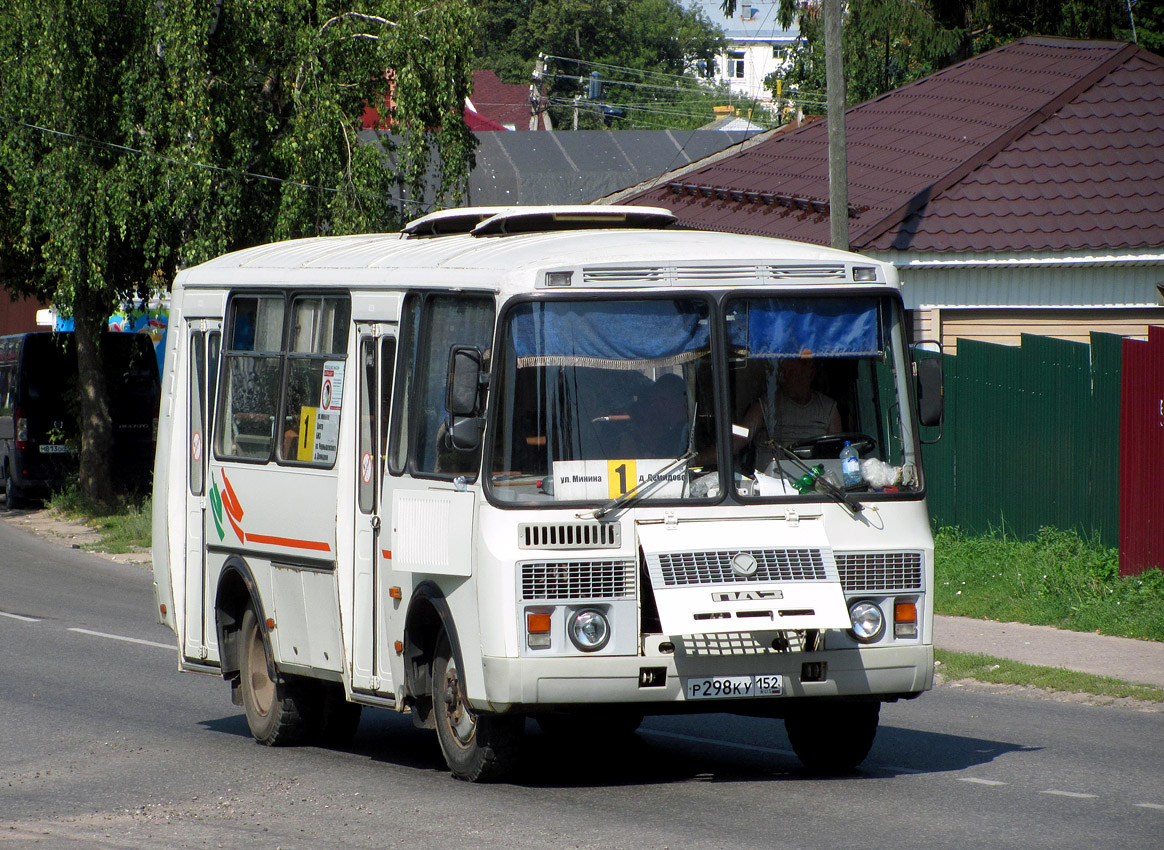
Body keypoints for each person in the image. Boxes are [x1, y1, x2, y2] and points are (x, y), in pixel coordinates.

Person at [739, 358, 841, 468]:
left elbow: (837, 451)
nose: (785, 379)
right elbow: (741, 437)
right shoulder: (765, 406)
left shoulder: (827, 408)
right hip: (774, 480)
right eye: (783, 373)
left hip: (818, 479)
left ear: (810, 374)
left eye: (792, 373)